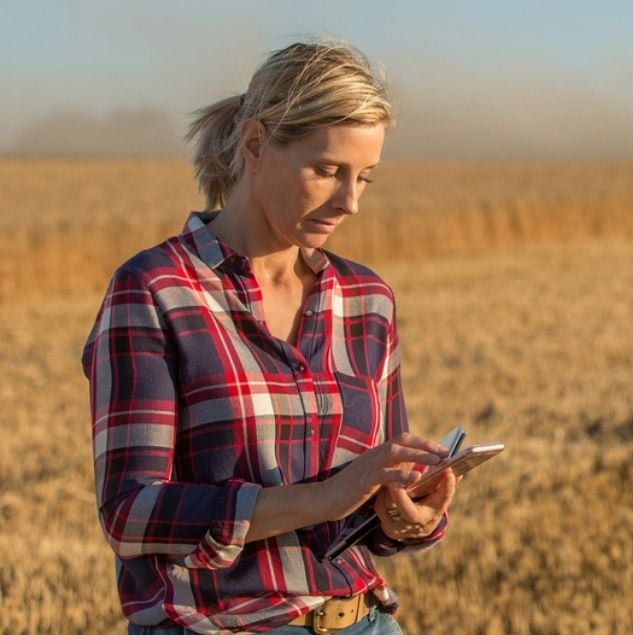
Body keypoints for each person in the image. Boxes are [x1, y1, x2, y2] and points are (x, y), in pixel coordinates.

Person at [82, 39, 458, 634]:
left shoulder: (368, 300)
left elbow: (367, 500)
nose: (351, 202)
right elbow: (131, 515)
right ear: (255, 144)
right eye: (328, 171)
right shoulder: (156, 290)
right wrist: (323, 498)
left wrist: (408, 517)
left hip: (366, 622)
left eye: (365, 177)